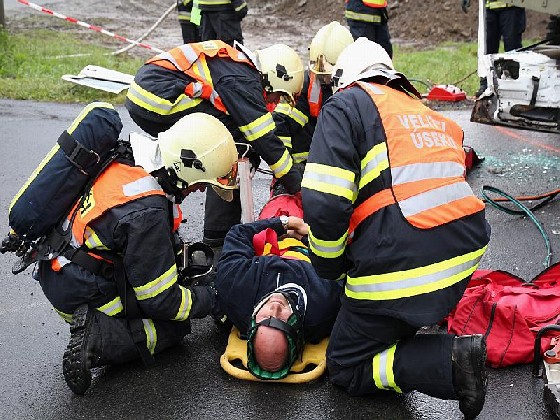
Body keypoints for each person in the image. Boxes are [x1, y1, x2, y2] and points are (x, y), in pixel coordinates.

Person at [301, 38, 491, 419]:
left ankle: (451, 361)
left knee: (346, 365)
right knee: (379, 308)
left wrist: (329, 266)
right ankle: (402, 324)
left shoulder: (346, 104)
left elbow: (325, 202)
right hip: (460, 259)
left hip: (406, 267)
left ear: (345, 80)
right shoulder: (425, 113)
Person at [35, 108, 239, 395]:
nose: (201, 191)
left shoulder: (134, 157)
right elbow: (162, 301)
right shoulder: (147, 214)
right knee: (172, 328)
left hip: (61, 263)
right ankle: (97, 338)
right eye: (202, 183)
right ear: (186, 169)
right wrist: (210, 298)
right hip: (78, 290)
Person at [125, 40, 304, 251]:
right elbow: (265, 139)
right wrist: (298, 184)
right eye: (280, 94)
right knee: (228, 145)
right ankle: (219, 239)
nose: (275, 100)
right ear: (273, 78)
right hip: (157, 100)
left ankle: (205, 231)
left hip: (149, 97)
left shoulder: (238, 69)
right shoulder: (243, 79)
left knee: (228, 145)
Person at [214, 215, 343, 379]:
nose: (275, 307)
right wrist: (306, 236)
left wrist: (283, 223)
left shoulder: (235, 289)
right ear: (297, 331)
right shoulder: (325, 303)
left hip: (273, 230)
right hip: (311, 237)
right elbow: (344, 258)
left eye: (265, 317)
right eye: (281, 320)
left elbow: (239, 233)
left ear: (252, 321)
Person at [272, 21, 353, 167]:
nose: (324, 79)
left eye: (329, 74)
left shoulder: (358, 92)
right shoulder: (306, 85)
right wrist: (287, 170)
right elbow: (281, 122)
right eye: (321, 74)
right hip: (307, 164)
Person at [462, 0, 526, 96]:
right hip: (489, 8)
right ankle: (486, 84)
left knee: (512, 50)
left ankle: (515, 87)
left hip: (512, 6)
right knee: (487, 49)